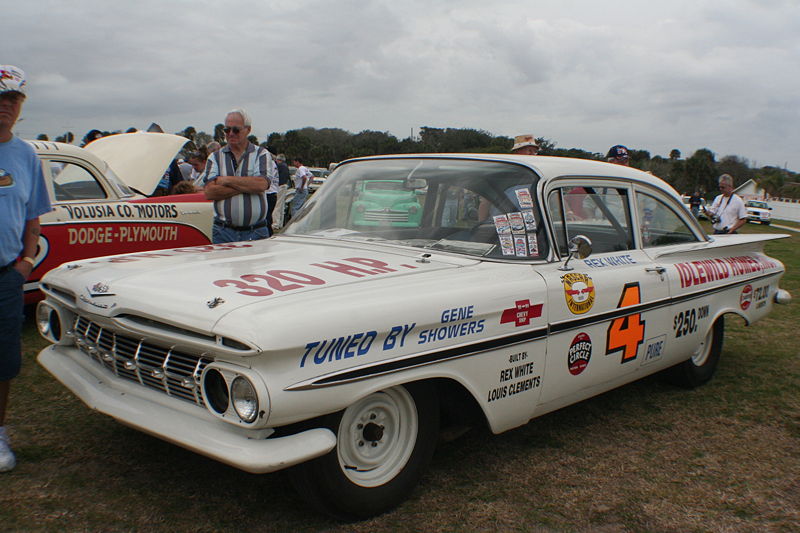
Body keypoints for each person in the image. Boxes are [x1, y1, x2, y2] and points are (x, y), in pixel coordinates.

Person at [0, 65, 53, 472]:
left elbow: (34, 222)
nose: (5, 106)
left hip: (7, 275)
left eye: (12, 99)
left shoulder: (25, 156)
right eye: (0, 97)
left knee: (5, 362)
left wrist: (25, 264)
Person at [203, 108, 277, 243]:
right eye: (227, 130)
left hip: (255, 232)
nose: (231, 133)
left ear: (248, 130)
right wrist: (248, 185)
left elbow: (262, 184)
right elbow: (209, 192)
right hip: (223, 232)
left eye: (236, 130)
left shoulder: (261, 154)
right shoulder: (215, 157)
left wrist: (225, 180)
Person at [272, 154, 290, 230]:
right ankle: (280, 223)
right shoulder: (285, 166)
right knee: (281, 206)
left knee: (277, 205)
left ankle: (275, 223)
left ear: (279, 160)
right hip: (285, 185)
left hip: (280, 186)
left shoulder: (280, 166)